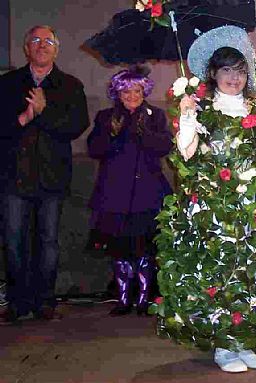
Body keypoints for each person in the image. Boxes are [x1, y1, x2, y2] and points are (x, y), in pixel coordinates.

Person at [156, 25, 256, 373]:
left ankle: (246, 339)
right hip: (215, 207)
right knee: (222, 272)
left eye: (239, 71)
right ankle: (225, 345)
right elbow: (186, 154)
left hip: (255, 207)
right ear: (213, 73)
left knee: (255, 271)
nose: (233, 78)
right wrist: (187, 116)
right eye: (226, 70)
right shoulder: (204, 110)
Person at [0, 25, 89, 324]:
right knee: (13, 240)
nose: (41, 45)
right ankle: (17, 302)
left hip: (52, 176)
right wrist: (24, 118)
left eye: (48, 41)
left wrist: (44, 112)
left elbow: (77, 124)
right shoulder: (8, 83)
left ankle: (44, 302)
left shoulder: (70, 85)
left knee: (48, 241)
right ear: (26, 48)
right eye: (35, 40)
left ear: (56, 49)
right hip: (13, 176)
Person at [87, 65, 172, 316]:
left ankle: (145, 300)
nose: (132, 96)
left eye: (137, 90)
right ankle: (123, 299)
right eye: (126, 92)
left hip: (147, 194)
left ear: (144, 91)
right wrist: (112, 133)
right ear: (117, 94)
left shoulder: (155, 115)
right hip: (115, 196)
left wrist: (144, 131)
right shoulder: (105, 116)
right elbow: (94, 149)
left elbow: (164, 146)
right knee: (121, 250)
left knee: (146, 249)